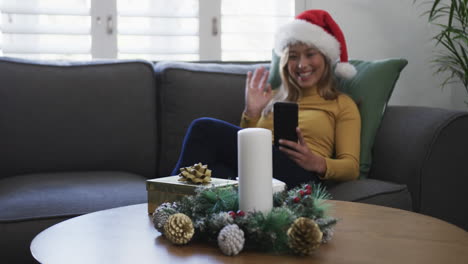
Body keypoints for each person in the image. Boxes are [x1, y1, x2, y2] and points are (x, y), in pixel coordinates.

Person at [171, 9, 361, 188]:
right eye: (293, 56)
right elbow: (245, 150)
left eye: (310, 55)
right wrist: (251, 114)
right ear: (286, 62)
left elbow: (351, 167)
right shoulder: (272, 97)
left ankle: (163, 201)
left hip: (301, 175)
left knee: (204, 128)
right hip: (261, 173)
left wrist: (317, 162)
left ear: (326, 59)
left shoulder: (341, 104)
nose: (302, 65)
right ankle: (176, 213)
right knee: (212, 173)